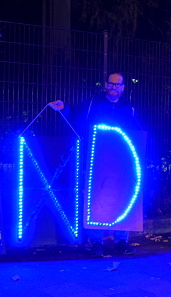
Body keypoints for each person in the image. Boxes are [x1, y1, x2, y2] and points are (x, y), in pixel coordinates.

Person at [49, 72, 139, 257]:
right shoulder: (93, 104)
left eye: (117, 85)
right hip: (95, 158)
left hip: (120, 160)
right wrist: (64, 107)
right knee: (95, 195)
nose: (114, 87)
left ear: (123, 88)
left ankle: (122, 241)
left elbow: (136, 133)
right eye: (111, 84)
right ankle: (96, 241)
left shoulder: (129, 109)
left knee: (122, 194)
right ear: (105, 85)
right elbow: (75, 117)